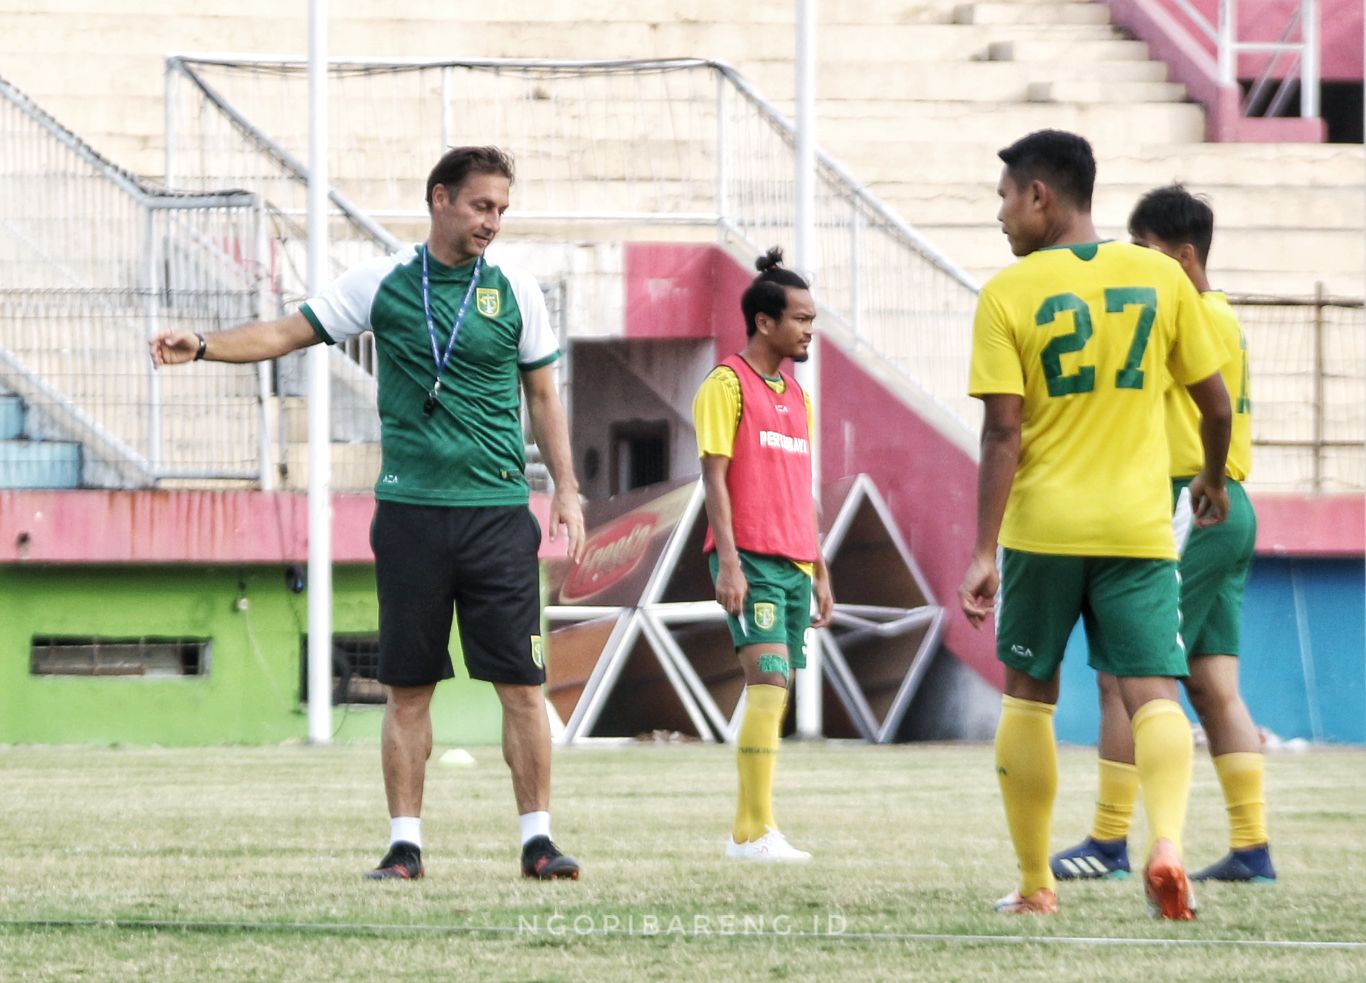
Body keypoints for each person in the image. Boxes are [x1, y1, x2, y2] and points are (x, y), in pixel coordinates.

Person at [149, 146, 587, 882]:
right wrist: (204, 348)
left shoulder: (515, 289)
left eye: (503, 210)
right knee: (409, 686)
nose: (493, 222)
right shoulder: (382, 282)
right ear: (441, 198)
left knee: (522, 685)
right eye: (482, 206)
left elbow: (543, 396)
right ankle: (404, 845)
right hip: (412, 515)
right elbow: (289, 331)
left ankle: (538, 840)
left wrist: (567, 488)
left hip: (498, 514)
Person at [958, 130, 1233, 920]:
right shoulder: (1159, 276)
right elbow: (1213, 404)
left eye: (1006, 197)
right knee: (1154, 694)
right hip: (1139, 530)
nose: (1001, 215)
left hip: (1045, 530)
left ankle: (1037, 884)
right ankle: (1169, 841)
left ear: (1040, 196)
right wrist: (1209, 478)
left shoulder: (1008, 294)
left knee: (1029, 698)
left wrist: (983, 550)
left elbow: (1002, 434)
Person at [1051, 185, 1275, 885]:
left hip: (1191, 499)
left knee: (1126, 674)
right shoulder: (1224, 315)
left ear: (1182, 256)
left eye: (1145, 251)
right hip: (1231, 502)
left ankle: (1110, 839)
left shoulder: (1186, 314)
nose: (1138, 267)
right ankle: (1251, 846)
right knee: (1213, 685)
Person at [692, 247, 835, 863]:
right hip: (749, 558)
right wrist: (727, 561)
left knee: (775, 691)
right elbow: (714, 479)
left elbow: (800, 486)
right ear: (764, 322)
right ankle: (754, 833)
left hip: (796, 559)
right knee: (770, 683)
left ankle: (748, 832)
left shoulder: (798, 396)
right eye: (801, 319)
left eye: (812, 320)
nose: (809, 331)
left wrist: (821, 566)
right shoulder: (726, 385)